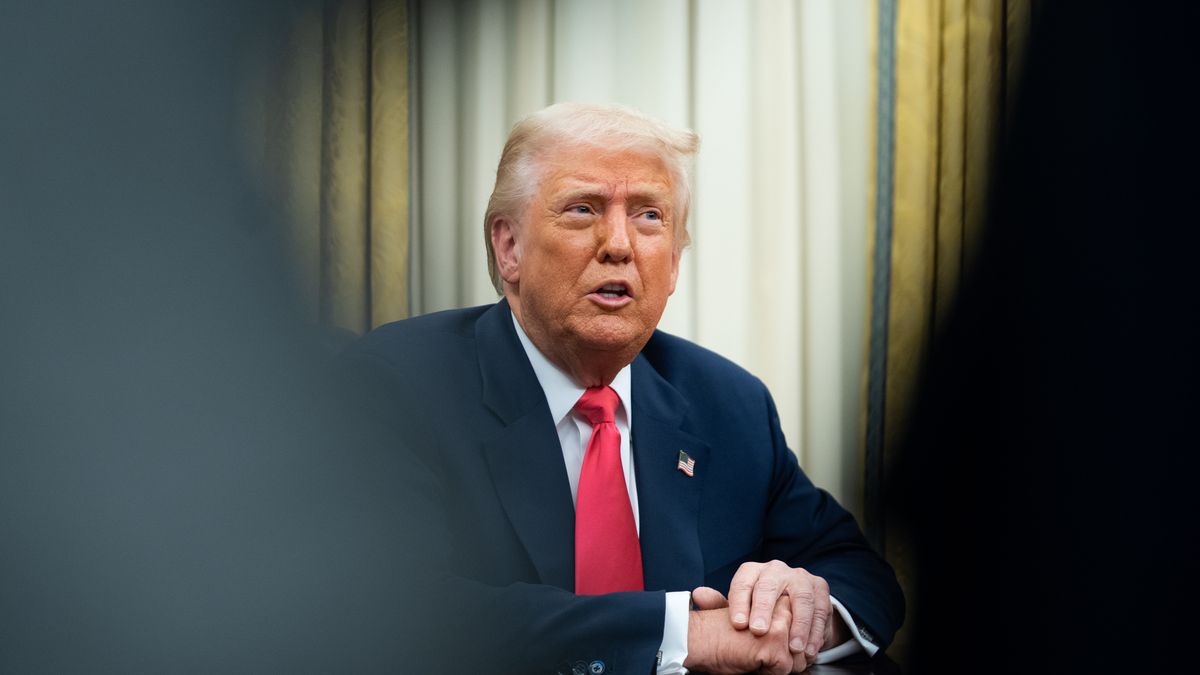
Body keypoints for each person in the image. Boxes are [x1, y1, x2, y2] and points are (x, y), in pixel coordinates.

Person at [344, 102, 904, 674]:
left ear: (675, 265)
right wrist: (686, 634)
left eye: (649, 216)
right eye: (583, 209)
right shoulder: (395, 384)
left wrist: (801, 611)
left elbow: (861, 575)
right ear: (508, 247)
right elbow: (396, 610)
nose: (619, 244)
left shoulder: (729, 403)